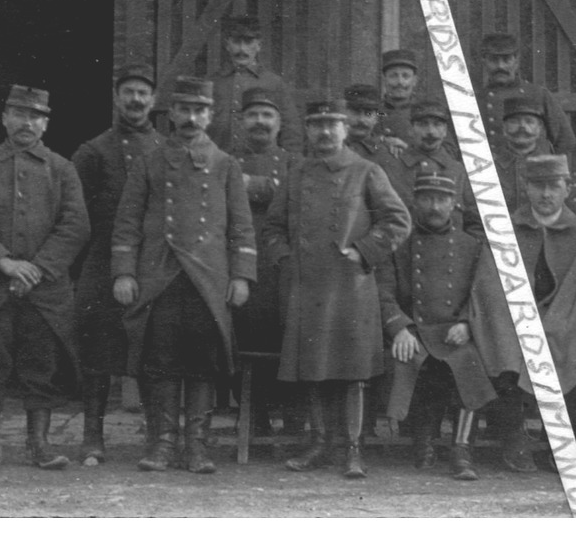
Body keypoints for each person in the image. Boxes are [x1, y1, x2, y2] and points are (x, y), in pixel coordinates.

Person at [112, 76, 256, 474]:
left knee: (201, 363)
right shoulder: (150, 162)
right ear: (171, 113)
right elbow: (127, 222)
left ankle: (196, 445)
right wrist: (124, 272)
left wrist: (241, 275)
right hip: (160, 274)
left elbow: (241, 227)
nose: (191, 118)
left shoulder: (226, 165)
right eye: (184, 110)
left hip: (207, 279)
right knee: (160, 361)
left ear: (210, 116)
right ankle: (161, 443)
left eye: (199, 111)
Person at [262, 97, 411, 479]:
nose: (325, 131)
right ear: (308, 131)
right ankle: (320, 443)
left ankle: (353, 449)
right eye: (316, 124)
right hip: (306, 287)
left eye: (333, 123)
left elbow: (397, 220)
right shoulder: (297, 174)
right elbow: (273, 228)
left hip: (351, 287)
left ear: (346, 129)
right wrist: (284, 259)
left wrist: (363, 251)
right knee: (313, 367)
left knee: (352, 371)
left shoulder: (366, 171)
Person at [0, 85, 90, 470]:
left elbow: (75, 225)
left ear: (45, 124)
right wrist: (4, 262)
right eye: (19, 114)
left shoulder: (62, 169)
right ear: (4, 118)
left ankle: (39, 443)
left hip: (45, 290)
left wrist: (38, 269)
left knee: (41, 365)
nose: (27, 123)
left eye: (36, 116)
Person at [472, 154, 576, 473]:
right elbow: (490, 284)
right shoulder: (504, 229)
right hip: (512, 317)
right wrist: (522, 321)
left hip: (565, 316)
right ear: (526, 188)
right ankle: (514, 436)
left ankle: (564, 440)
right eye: (538, 186)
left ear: (568, 189)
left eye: (554, 186)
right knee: (502, 350)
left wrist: (550, 323)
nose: (546, 194)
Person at [378, 166, 498, 481]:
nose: (434, 206)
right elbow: (384, 292)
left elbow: (481, 295)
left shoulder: (471, 246)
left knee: (469, 363)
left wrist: (468, 324)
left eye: (442, 199)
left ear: (454, 203)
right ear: (415, 202)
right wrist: (399, 328)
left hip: (454, 331)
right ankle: (424, 441)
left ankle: (461, 449)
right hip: (415, 331)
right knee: (415, 363)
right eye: (427, 198)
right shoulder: (399, 245)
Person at [70, 61, 163, 464]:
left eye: (143, 92)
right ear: (117, 97)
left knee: (152, 349)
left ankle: (157, 438)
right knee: (97, 352)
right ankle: (93, 436)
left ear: (154, 100)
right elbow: (74, 213)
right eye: (129, 92)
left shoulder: (166, 150)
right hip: (101, 263)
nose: (136, 99)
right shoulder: (93, 151)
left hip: (152, 264)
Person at [227, 85, 299, 441]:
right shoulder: (226, 161)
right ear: (241, 121)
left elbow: (296, 198)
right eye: (253, 115)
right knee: (243, 342)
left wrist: (249, 185)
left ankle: (293, 421)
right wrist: (270, 188)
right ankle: (251, 419)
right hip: (240, 268)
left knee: (287, 341)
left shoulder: (292, 163)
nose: (260, 122)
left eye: (267, 115)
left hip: (281, 269)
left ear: (279, 122)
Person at [393, 97, 484, 239]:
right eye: (423, 124)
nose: (431, 131)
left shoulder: (459, 171)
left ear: (445, 131)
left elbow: (475, 223)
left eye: (437, 125)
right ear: (411, 129)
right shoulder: (393, 167)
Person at [475, 33, 575, 156]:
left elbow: (565, 140)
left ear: (516, 61)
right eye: (494, 60)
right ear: (484, 61)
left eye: (506, 60)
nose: (500, 66)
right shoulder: (475, 99)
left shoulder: (538, 94)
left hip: (533, 171)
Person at [208, 14, 290, 154]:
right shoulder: (212, 83)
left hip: (259, 165)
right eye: (236, 42)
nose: (241, 49)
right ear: (227, 44)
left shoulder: (274, 83)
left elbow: (291, 130)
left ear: (258, 45)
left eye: (248, 42)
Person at [492, 94, 547, 209]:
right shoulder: (489, 165)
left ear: (540, 127)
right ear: (504, 127)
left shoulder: (551, 165)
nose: (522, 127)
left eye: (529, 122)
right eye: (514, 121)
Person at [377, 48, 423, 152]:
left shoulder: (424, 112)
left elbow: (447, 151)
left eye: (405, 76)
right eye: (393, 76)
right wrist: (381, 141)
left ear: (414, 80)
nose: (400, 82)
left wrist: (408, 148)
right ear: (384, 80)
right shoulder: (373, 112)